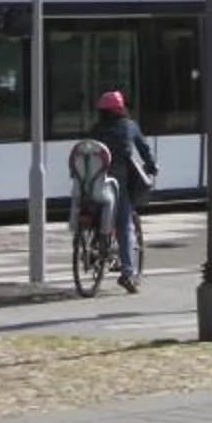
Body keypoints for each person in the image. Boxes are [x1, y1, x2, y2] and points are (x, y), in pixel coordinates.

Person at [86, 90, 155, 293]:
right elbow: (144, 149)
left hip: (93, 183)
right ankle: (127, 273)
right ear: (120, 108)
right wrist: (151, 165)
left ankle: (94, 244)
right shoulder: (129, 126)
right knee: (125, 225)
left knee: (97, 212)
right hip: (117, 184)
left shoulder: (95, 130)